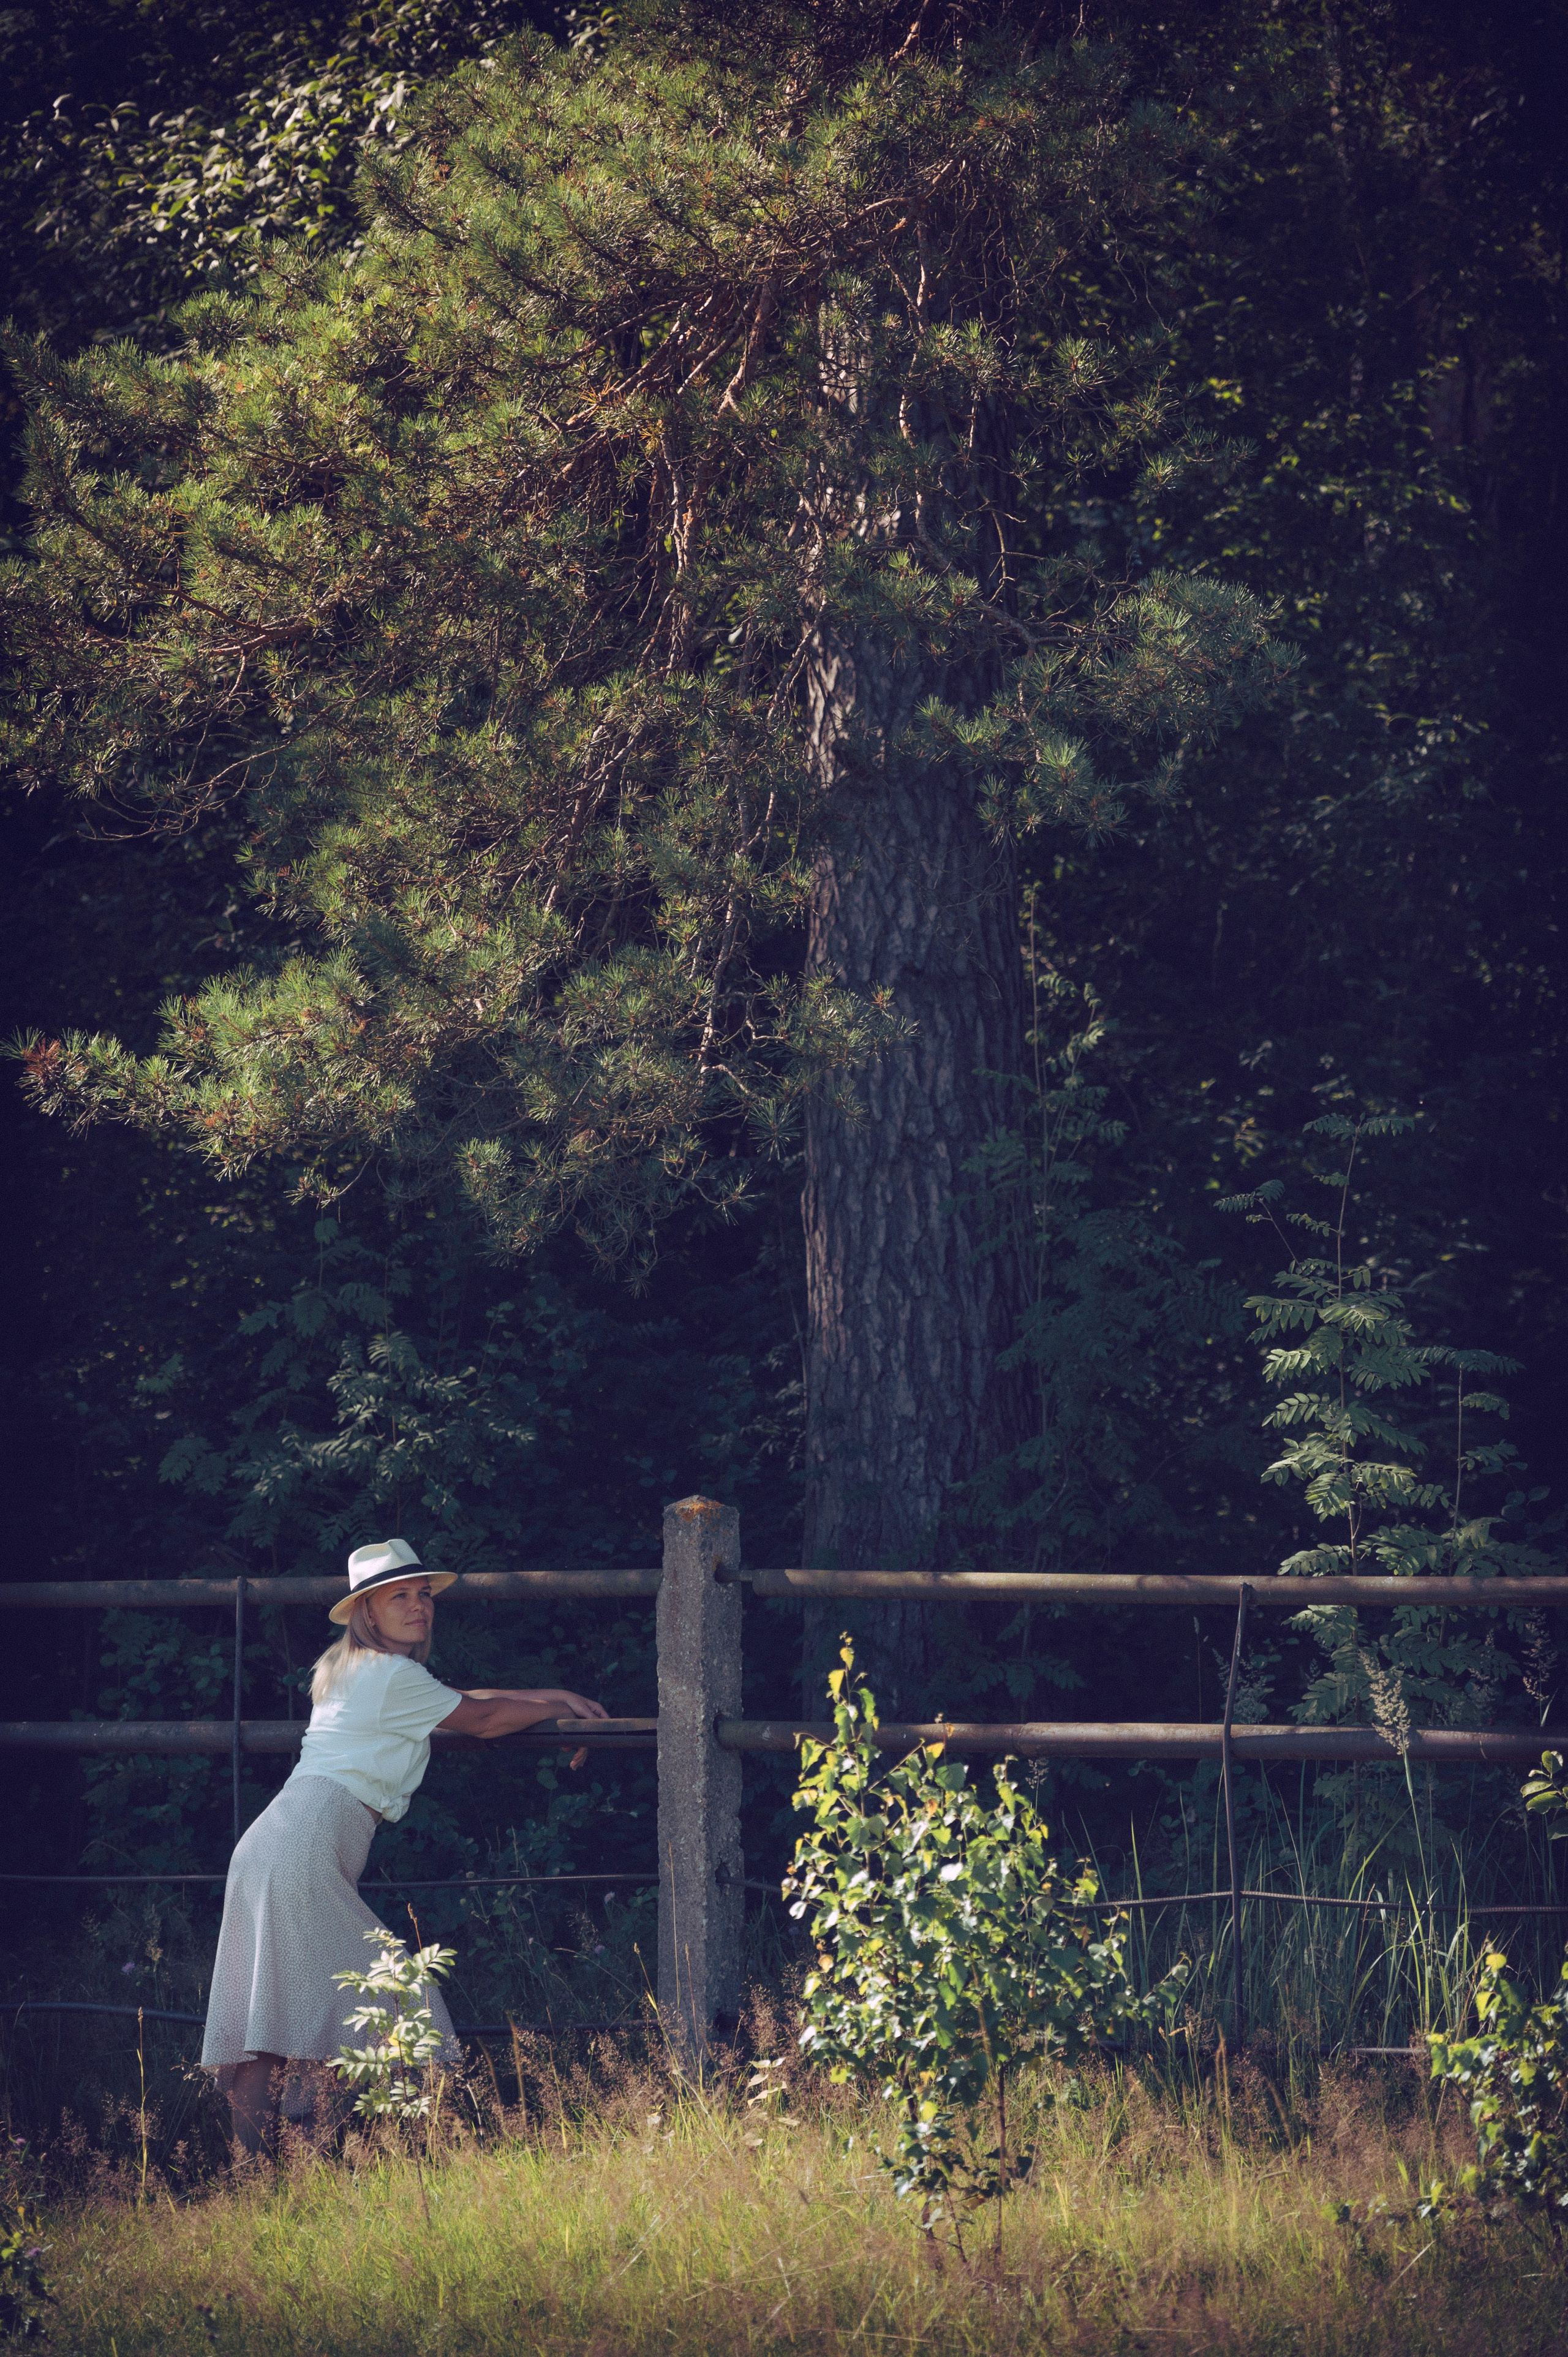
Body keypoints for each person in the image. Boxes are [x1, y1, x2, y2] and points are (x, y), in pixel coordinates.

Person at [200, 1537, 609, 2154]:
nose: (419, 1605)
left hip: (268, 1844)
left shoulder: (350, 1669)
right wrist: (556, 1700)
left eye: (424, 1594)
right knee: (385, 1995)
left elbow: (460, 1698)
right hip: (306, 1844)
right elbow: (482, 1717)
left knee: (277, 2015)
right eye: (401, 1596)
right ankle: (344, 2159)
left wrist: (550, 1698)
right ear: (368, 1609)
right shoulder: (391, 1675)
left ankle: (258, 2182)